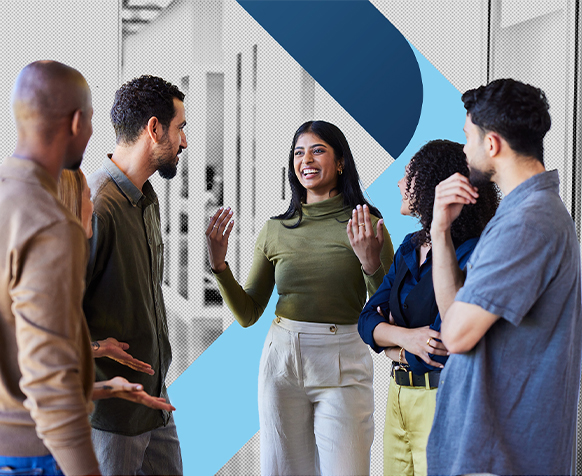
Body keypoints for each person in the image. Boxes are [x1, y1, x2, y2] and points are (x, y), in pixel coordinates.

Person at [206, 120, 394, 476]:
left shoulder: (367, 221)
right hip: (281, 363)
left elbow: (387, 310)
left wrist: (370, 264)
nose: (306, 159)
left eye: (318, 150)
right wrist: (219, 265)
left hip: (344, 360)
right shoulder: (276, 228)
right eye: (298, 152)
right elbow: (248, 313)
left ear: (340, 162)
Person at [426, 79, 582, 476]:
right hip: (489, 449)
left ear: (492, 144)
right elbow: (454, 313)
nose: (463, 150)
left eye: (467, 138)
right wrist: (440, 231)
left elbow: (456, 335)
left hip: (499, 456)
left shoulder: (528, 224)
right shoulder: (520, 215)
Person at [357, 140, 499, 476]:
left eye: (408, 175)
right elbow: (365, 321)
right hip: (398, 396)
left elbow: (441, 345)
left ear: (433, 185)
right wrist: (406, 341)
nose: (398, 183)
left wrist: (390, 337)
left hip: (440, 399)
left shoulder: (471, 254)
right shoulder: (410, 245)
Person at [83, 75, 187, 476]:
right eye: (180, 128)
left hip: (155, 402)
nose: (184, 142)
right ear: (154, 128)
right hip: (111, 418)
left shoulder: (146, 199)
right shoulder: (94, 206)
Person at [0, 60, 99, 476]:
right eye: (91, 120)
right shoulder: (50, 223)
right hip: (35, 452)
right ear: (76, 122)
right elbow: (49, 381)